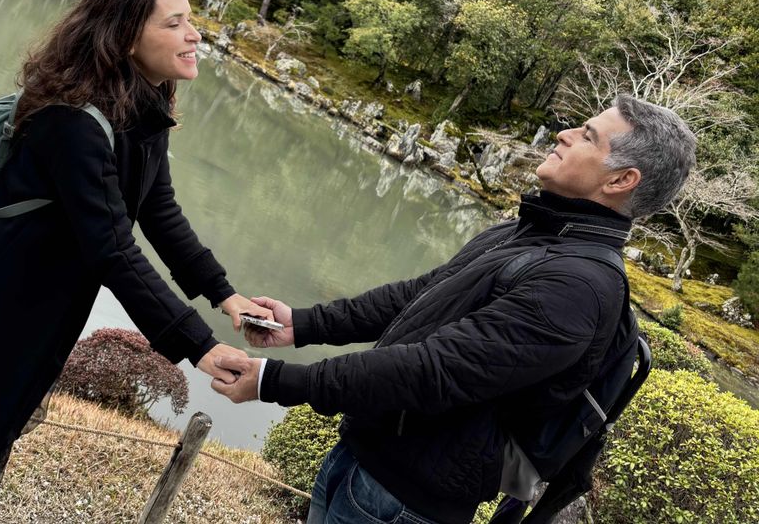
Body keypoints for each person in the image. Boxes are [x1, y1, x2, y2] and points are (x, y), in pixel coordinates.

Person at [212, 96, 697, 524]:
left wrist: (273, 381)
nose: (564, 134)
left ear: (622, 180)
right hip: (367, 458)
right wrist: (304, 323)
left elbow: (434, 371)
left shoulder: (579, 286)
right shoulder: (534, 232)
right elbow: (421, 295)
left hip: (404, 503)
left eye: (587, 135)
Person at [0, 0, 263, 523]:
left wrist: (224, 294)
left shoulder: (142, 103)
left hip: (42, 314)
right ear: (125, 36)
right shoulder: (72, 118)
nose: (195, 35)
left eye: (191, 20)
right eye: (176, 23)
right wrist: (199, 345)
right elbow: (112, 248)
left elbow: (157, 209)